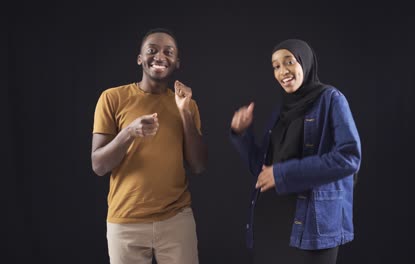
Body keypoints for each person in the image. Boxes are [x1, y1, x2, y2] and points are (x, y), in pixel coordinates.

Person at [230, 39, 361, 264]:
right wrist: (241, 134)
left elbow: (348, 158)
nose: (282, 71)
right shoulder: (282, 109)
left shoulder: (331, 99)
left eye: (289, 62)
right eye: (276, 66)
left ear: (305, 62)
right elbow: (260, 169)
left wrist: (282, 174)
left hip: (311, 227)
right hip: (271, 223)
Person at [91, 28, 207, 264]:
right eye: (152, 50)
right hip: (125, 222)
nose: (160, 56)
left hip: (176, 220)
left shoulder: (187, 104)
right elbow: (99, 165)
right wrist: (129, 132)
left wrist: (184, 111)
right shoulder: (112, 98)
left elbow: (198, 165)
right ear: (140, 58)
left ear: (177, 62)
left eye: (168, 52)